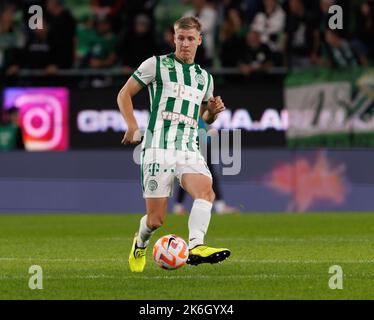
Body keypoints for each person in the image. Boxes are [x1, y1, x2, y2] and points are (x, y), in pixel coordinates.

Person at [117, 16, 231, 273]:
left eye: (191, 39)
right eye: (181, 38)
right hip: (158, 147)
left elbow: (203, 117)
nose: (185, 44)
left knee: (206, 192)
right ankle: (140, 242)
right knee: (156, 220)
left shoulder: (205, 79)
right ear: (174, 38)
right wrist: (132, 125)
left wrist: (213, 112)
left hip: (188, 147)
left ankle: (196, 246)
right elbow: (124, 93)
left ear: (199, 41)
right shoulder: (155, 65)